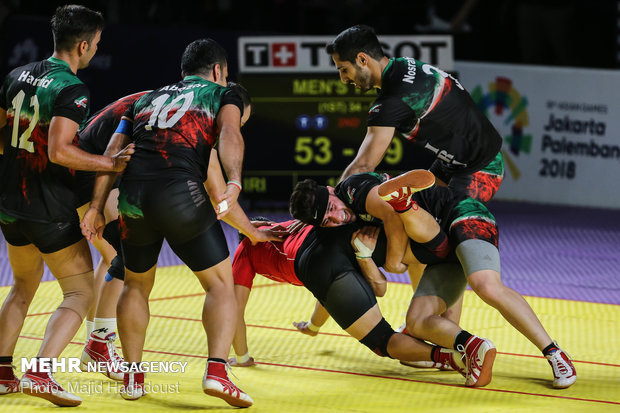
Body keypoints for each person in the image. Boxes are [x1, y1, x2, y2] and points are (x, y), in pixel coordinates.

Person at [80, 39, 276, 407]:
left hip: (133, 197)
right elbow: (231, 136)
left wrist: (94, 207)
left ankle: (133, 378)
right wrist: (236, 182)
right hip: (179, 193)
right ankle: (217, 371)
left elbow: (112, 155)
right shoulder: (224, 94)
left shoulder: (145, 99)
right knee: (220, 284)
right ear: (218, 71)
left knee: (135, 284)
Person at [290, 171, 577, 389]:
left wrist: (392, 262)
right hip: (438, 250)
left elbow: (388, 220)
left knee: (485, 285)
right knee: (416, 323)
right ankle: (473, 347)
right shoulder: (343, 224)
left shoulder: (352, 189)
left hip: (461, 215)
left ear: (332, 190)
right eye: (328, 221)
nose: (337, 218)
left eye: (332, 209)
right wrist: (315, 323)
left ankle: (554, 353)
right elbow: (360, 284)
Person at [0, 5, 134, 407]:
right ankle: (41, 372)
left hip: (9, 203)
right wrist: (112, 163)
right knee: (77, 292)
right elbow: (59, 152)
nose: (95, 50)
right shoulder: (71, 88)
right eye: (96, 44)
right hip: (47, 205)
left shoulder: (14, 76)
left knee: (22, 287)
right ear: (83, 44)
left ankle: (3, 372)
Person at [227, 218, 468, 384]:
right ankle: (454, 241)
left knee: (383, 340)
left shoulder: (246, 247)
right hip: (340, 241)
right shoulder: (288, 225)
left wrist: (242, 357)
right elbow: (326, 295)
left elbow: (234, 311)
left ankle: (450, 357)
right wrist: (313, 326)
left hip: (318, 265)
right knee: (418, 252)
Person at [326, 25, 504, 203]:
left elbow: (364, 165)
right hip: (452, 161)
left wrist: (331, 201)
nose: (343, 80)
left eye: (344, 70)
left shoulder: (393, 100)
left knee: (452, 227)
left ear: (362, 59)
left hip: (481, 166)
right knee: (411, 217)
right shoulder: (404, 65)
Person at [74, 91, 149, 382]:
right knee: (123, 257)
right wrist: (97, 206)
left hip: (82, 167)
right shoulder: (158, 107)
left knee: (110, 258)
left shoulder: (152, 99)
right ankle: (98, 344)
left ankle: (94, 344)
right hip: (87, 170)